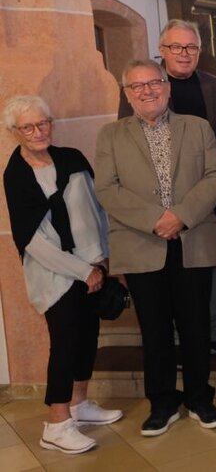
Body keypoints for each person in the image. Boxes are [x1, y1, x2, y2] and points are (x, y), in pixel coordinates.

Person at [95, 58, 216, 437]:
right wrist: (157, 219)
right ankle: (162, 401)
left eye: (153, 83)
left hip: (192, 240)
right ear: (127, 94)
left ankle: (200, 397)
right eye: (137, 86)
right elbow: (107, 189)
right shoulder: (111, 136)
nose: (147, 91)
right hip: (141, 242)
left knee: (195, 325)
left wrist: (182, 215)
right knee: (154, 330)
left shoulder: (197, 127)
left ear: (167, 88)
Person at [3, 96, 122, 454]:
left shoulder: (72, 158)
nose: (38, 132)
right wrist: (81, 270)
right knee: (65, 345)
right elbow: (32, 242)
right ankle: (56, 424)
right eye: (28, 127)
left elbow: (96, 209)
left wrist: (102, 260)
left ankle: (79, 404)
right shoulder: (17, 176)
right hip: (56, 275)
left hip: (93, 267)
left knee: (88, 338)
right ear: (15, 133)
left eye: (43, 123)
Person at [118, 19, 216, 361]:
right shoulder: (144, 86)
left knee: (215, 268)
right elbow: (127, 144)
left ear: (199, 51)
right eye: (176, 47)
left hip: (207, 199)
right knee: (163, 274)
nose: (184, 54)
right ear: (162, 50)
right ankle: (171, 337)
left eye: (191, 47)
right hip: (156, 207)